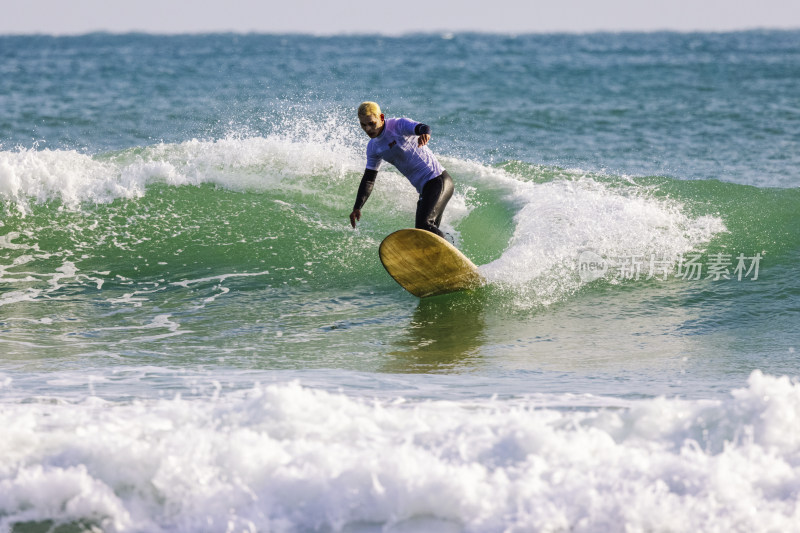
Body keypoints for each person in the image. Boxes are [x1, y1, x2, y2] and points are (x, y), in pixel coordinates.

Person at [349, 101, 454, 239]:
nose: (368, 129)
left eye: (371, 123)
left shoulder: (397, 125)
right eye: (363, 125)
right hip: (425, 189)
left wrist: (425, 134)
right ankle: (441, 257)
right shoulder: (373, 147)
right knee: (425, 235)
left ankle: (450, 252)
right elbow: (369, 179)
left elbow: (422, 127)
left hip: (437, 180)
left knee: (424, 226)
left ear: (381, 117)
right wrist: (357, 207)